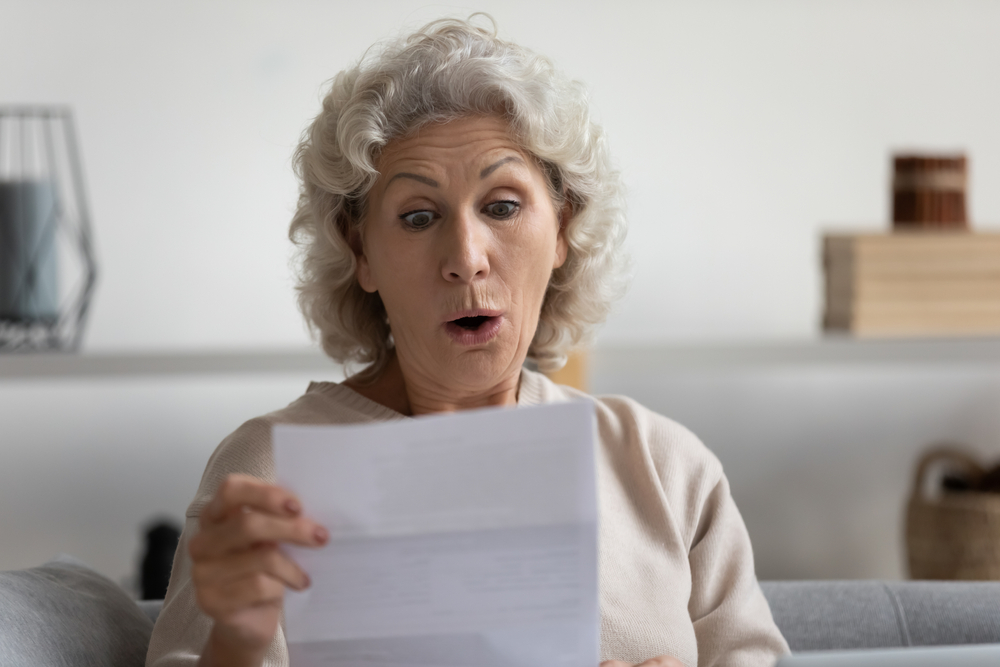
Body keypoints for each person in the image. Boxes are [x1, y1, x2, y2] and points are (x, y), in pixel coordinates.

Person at [146, 16, 789, 667]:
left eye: (503, 205)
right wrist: (236, 644)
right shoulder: (270, 470)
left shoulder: (666, 468)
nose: (466, 257)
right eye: (418, 217)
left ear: (562, 227)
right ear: (359, 249)